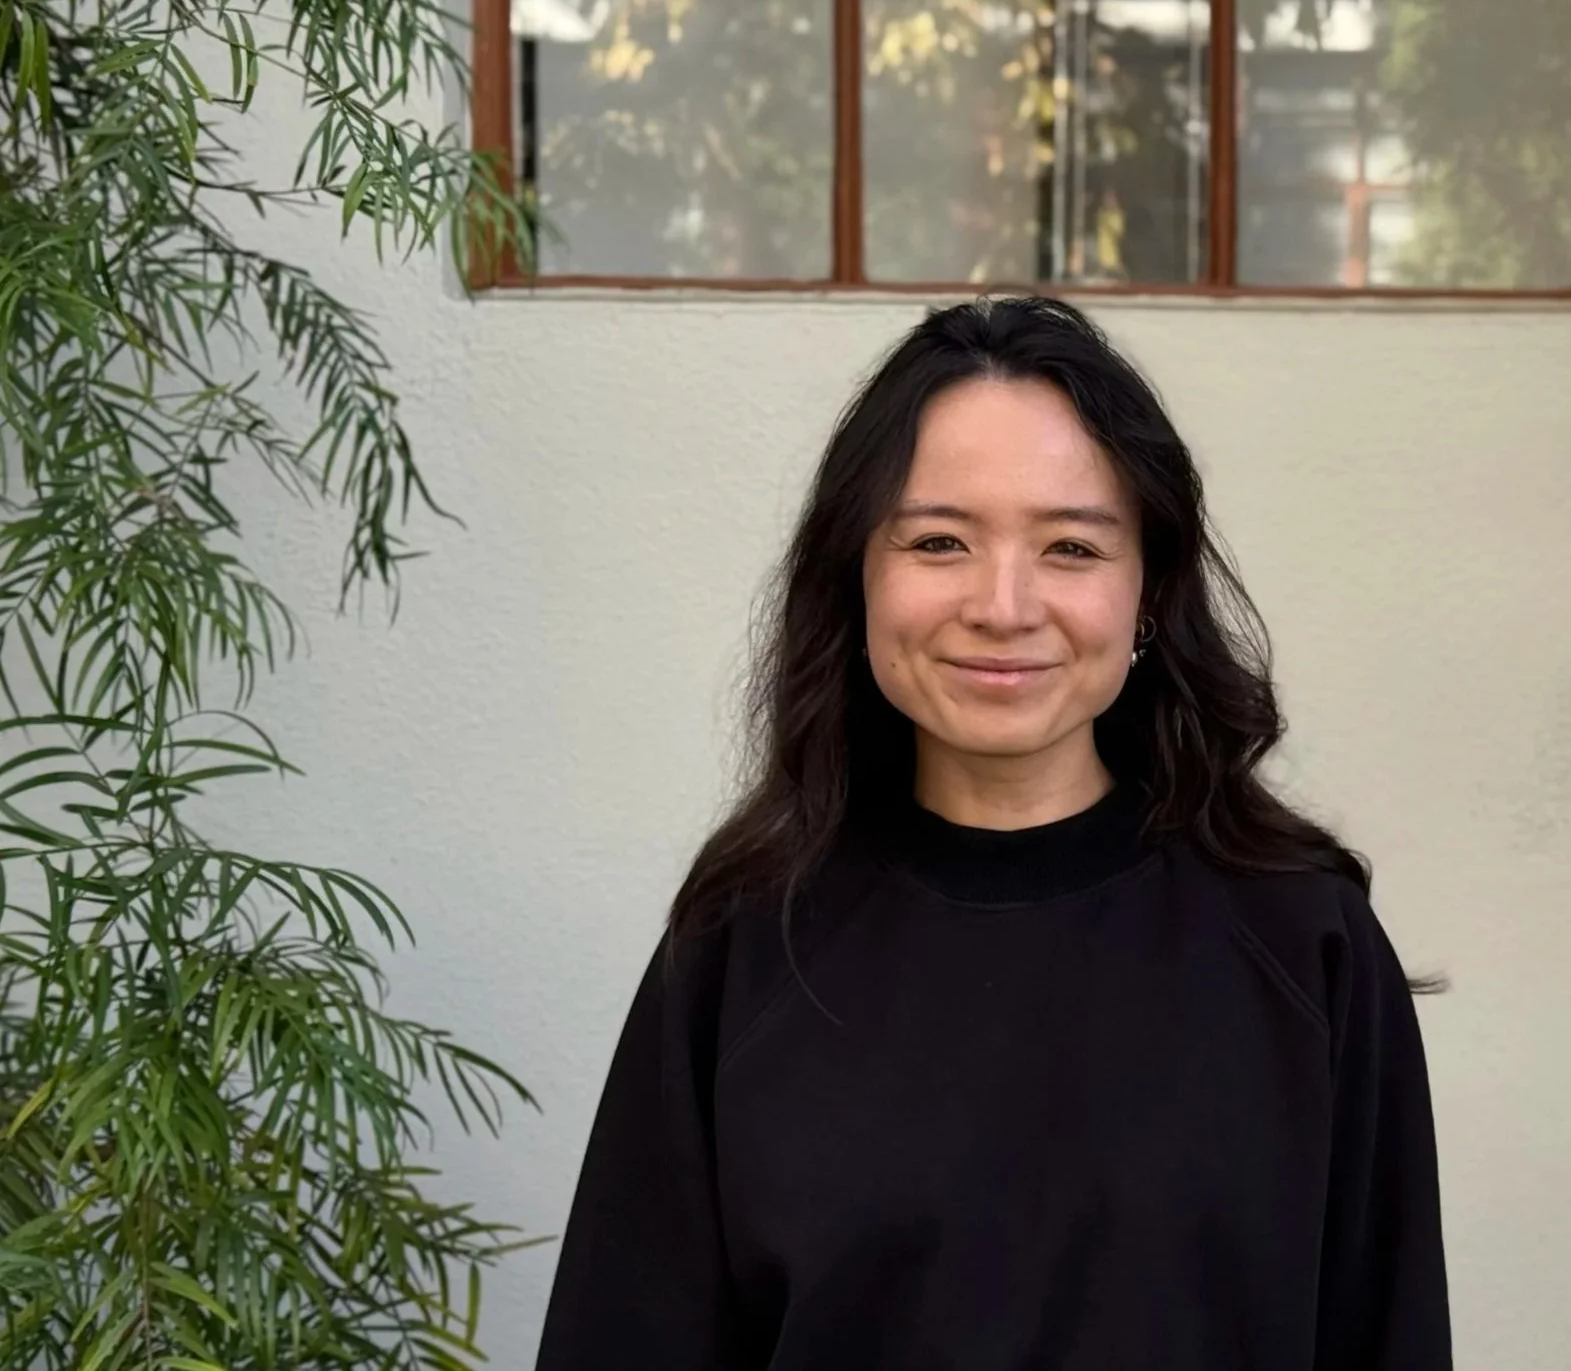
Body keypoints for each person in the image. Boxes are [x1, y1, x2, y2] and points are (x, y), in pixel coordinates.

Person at [533, 295, 1450, 1370]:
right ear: (855, 576)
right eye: (937, 540)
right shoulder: (745, 941)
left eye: (1069, 546)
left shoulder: (1302, 941)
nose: (1002, 604)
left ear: (1146, 589)